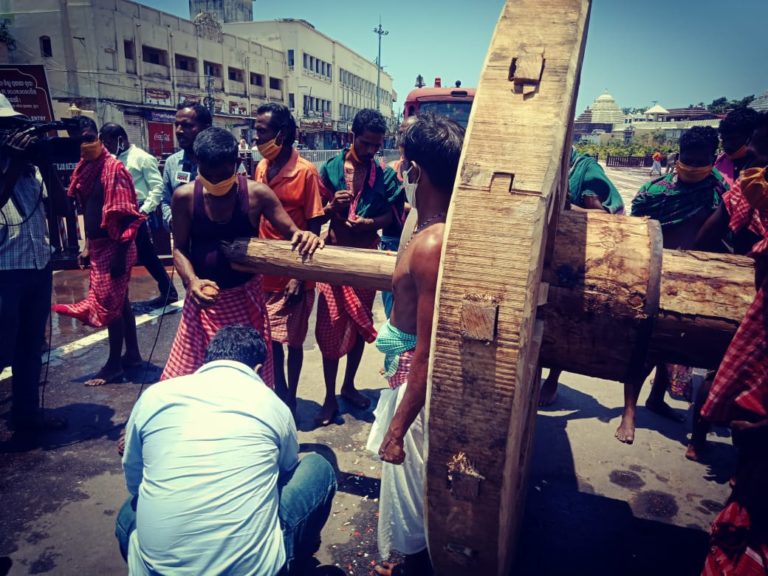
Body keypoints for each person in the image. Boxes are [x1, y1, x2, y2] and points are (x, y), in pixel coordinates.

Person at [116, 325, 337, 576]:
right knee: (318, 467)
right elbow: (285, 471)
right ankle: (297, 558)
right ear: (258, 369)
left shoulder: (155, 395)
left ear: (208, 359)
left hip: (156, 570)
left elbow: (134, 480)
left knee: (129, 513)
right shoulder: (271, 403)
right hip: (254, 570)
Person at [367, 113, 465, 576]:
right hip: (402, 371)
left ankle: (410, 565)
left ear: (414, 171)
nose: (397, 170)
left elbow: (428, 349)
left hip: (414, 381)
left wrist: (397, 428)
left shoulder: (432, 244)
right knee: (404, 487)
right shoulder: (422, 225)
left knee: (409, 489)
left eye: (402, 162)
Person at [161, 127, 322, 384]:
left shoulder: (258, 195)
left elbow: (293, 232)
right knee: (193, 377)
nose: (216, 182)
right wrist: (192, 282)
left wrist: (307, 237)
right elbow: (179, 249)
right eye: (208, 175)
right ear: (197, 164)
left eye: (223, 175)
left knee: (247, 376)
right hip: (203, 304)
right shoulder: (184, 198)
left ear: (237, 164)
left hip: (246, 300)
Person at [696, 113, 768, 573]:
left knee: (749, 422)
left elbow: (721, 220)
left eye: (758, 148)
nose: (753, 155)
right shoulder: (744, 178)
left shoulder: (748, 181)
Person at [624, 126, 727, 443]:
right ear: (678, 156)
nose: (692, 167)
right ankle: (629, 412)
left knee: (678, 347)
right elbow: (634, 232)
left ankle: (658, 399)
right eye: (687, 159)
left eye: (700, 161)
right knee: (644, 347)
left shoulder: (722, 192)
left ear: (713, 158)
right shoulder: (654, 190)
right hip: (658, 275)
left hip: (698, 279)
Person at [314, 108, 400, 426]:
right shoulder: (329, 170)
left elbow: (390, 218)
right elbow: (316, 216)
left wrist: (369, 222)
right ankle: (327, 397)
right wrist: (330, 207)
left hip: (366, 260)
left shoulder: (384, 175)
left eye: (377, 146)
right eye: (365, 144)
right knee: (330, 328)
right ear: (352, 136)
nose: (371, 151)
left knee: (358, 326)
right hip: (335, 259)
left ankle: (348, 387)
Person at [51, 117, 145, 386]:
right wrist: (85, 245)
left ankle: (114, 365)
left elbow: (129, 217)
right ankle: (134, 355)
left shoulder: (113, 169)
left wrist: (117, 256)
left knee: (110, 307)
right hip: (98, 245)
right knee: (121, 302)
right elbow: (87, 208)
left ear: (100, 137)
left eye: (89, 137)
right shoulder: (85, 168)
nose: (85, 144)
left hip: (116, 246)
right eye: (78, 140)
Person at [0, 94, 68, 434]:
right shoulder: (13, 165)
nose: (11, 133)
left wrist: (45, 163)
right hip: (3, 274)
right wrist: (11, 164)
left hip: (37, 266)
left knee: (30, 348)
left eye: (12, 126)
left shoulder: (29, 170)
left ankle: (26, 415)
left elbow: (64, 207)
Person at [539, 147, 625, 406]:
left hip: (572, 256)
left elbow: (603, 216)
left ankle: (552, 379)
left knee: (560, 319)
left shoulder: (584, 169)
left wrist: (567, 208)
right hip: (541, 252)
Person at [253, 103, 324, 412]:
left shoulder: (305, 172)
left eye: (261, 132)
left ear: (281, 134)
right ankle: (278, 392)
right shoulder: (260, 167)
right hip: (264, 273)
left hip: (295, 275)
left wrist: (300, 275)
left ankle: (290, 397)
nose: (256, 138)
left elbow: (315, 226)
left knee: (293, 342)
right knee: (270, 343)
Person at [100, 123, 178, 309]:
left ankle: (122, 299)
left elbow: (157, 187)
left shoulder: (142, 158)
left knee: (139, 253)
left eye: (109, 143)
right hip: (119, 213)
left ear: (120, 139)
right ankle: (167, 290)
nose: (107, 148)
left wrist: (144, 212)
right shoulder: (111, 160)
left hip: (137, 213)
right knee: (143, 253)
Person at [381, 116, 417, 318]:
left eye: (411, 133)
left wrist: (407, 207)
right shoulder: (390, 170)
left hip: (417, 243)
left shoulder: (427, 171)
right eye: (402, 132)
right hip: (391, 241)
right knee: (390, 301)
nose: (405, 138)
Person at [160, 103, 212, 232]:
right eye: (176, 125)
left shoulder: (223, 159)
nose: (178, 131)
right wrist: (173, 222)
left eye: (187, 125)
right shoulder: (172, 163)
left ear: (206, 129)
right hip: (183, 242)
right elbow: (166, 200)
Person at [714, 107, 760, 188]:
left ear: (752, 136)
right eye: (724, 140)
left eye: (733, 139)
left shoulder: (762, 169)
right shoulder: (718, 164)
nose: (727, 146)